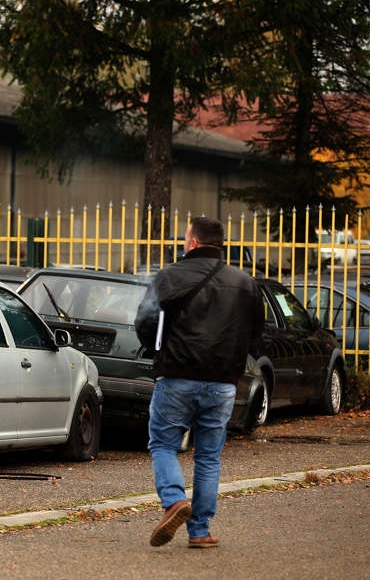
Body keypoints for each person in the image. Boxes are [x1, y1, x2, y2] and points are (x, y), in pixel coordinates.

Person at [134, 216, 264, 548]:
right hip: (222, 382)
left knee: (163, 444)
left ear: (193, 243)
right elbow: (256, 335)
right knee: (208, 455)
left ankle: (175, 501)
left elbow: (146, 321)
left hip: (177, 376)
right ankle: (200, 531)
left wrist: (157, 350)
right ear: (218, 244)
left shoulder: (170, 276)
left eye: (185, 238)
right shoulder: (245, 282)